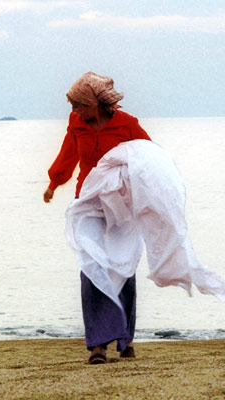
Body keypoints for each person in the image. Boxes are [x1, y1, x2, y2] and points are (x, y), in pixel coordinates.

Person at [44, 72, 151, 364]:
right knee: (91, 262)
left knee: (123, 264)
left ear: (95, 103)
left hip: (121, 205)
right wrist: (54, 183)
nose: (74, 111)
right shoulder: (76, 123)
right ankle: (97, 345)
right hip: (88, 200)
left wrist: (153, 198)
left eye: (78, 105)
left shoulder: (127, 124)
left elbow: (149, 159)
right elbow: (68, 153)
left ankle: (124, 339)